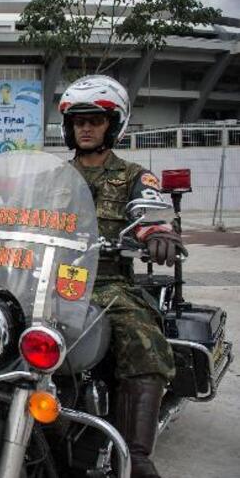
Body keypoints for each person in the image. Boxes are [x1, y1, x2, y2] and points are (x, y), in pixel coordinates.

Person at [60, 75, 187, 478]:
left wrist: (157, 233)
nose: (85, 127)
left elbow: (150, 213)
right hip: (53, 279)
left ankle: (134, 455)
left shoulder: (135, 175)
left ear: (112, 125)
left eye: (94, 120)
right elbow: (23, 213)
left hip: (108, 284)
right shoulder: (54, 177)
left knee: (142, 339)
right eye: (78, 120)